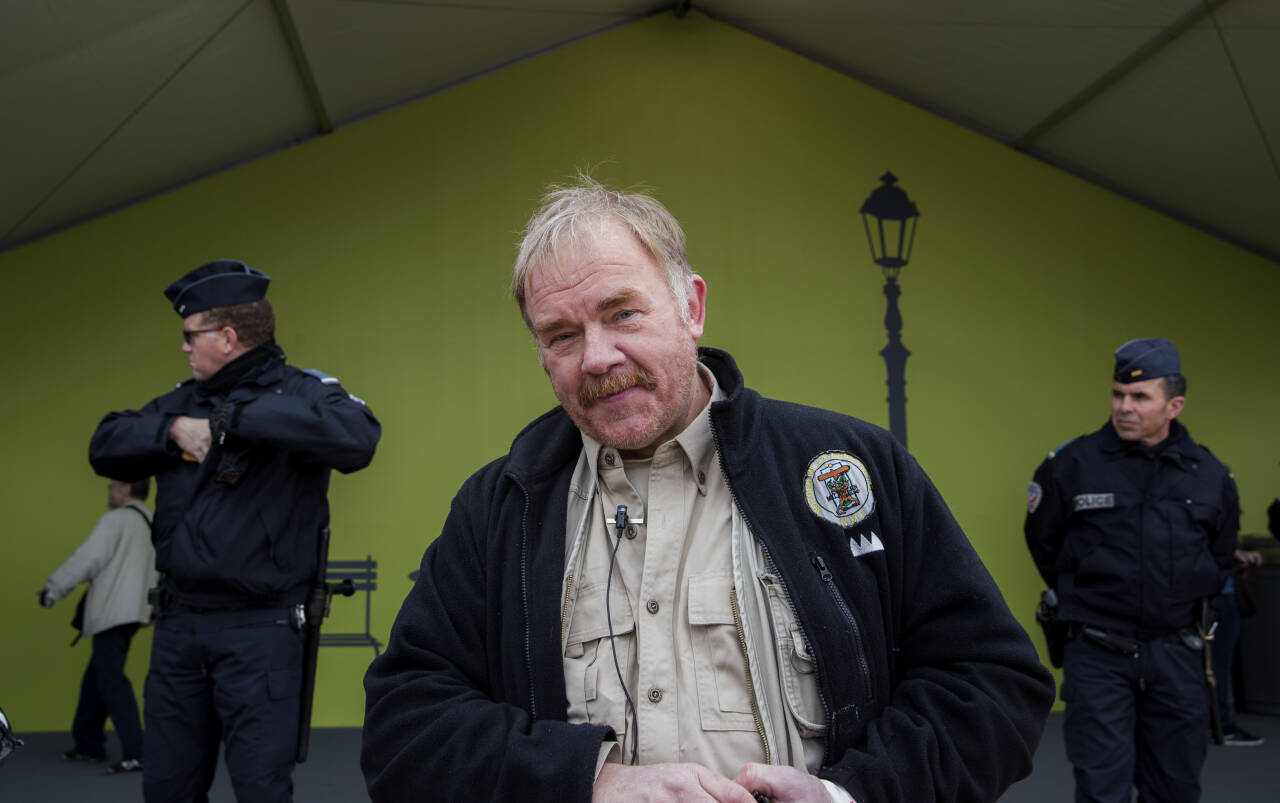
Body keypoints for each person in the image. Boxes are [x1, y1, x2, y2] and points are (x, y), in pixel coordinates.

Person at [362, 178, 1054, 803]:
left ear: (691, 306)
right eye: (562, 334)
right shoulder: (501, 507)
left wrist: (850, 797)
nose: (596, 356)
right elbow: (407, 726)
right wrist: (585, 780)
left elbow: (991, 685)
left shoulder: (848, 467)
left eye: (623, 313)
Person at [89, 259, 381, 802]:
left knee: (260, 790)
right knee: (168, 788)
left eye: (189, 335)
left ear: (226, 337)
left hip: (261, 632)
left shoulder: (302, 392)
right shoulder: (180, 402)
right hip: (178, 629)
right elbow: (104, 444)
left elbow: (358, 437)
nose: (183, 347)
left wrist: (236, 422)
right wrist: (172, 429)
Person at [1025, 337, 1240, 802]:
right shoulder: (1071, 466)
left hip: (1177, 653)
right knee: (1102, 788)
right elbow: (1044, 544)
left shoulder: (1209, 475)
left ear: (1174, 405)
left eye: (1140, 397)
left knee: (1176, 787)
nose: (1125, 406)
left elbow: (1220, 556)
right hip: (1098, 652)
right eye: (1118, 394)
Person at [39, 478, 158, 774]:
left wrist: (54, 589)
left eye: (112, 487)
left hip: (112, 612)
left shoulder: (116, 520)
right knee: (98, 678)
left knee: (111, 681)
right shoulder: (153, 522)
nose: (109, 492)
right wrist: (153, 609)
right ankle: (88, 745)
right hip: (134, 613)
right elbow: (163, 567)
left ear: (125, 488)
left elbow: (88, 560)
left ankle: (137, 752)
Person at [1211, 547, 1265, 746]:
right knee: (1219, 663)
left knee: (1215, 662)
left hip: (1211, 590)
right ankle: (1222, 724)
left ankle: (1217, 722)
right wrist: (1235, 552)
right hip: (1218, 590)